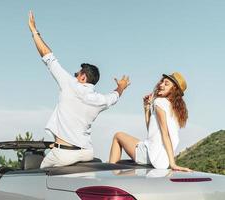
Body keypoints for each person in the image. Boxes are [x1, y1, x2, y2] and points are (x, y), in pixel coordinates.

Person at [28, 11, 131, 168]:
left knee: (37, 179)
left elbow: (48, 57)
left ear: (83, 77)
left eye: (77, 73)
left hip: (64, 154)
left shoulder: (70, 84)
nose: (74, 75)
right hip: (86, 152)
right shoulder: (99, 100)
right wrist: (121, 86)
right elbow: (114, 96)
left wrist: (34, 31)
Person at [109, 72, 192, 171]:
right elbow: (153, 132)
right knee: (136, 141)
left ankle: (111, 173)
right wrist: (147, 108)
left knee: (118, 135)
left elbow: (166, 135)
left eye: (166, 84)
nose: (161, 85)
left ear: (174, 90)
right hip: (159, 158)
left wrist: (173, 164)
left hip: (148, 155)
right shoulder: (174, 110)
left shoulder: (159, 102)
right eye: (162, 82)